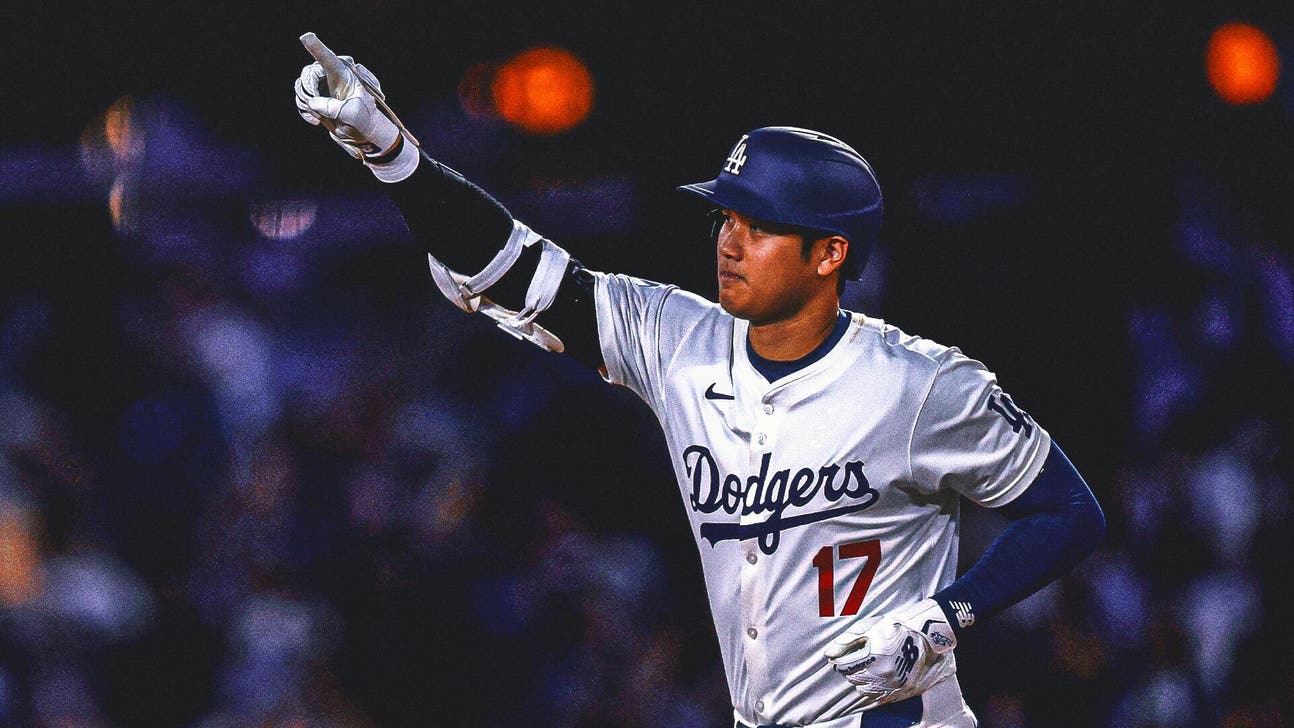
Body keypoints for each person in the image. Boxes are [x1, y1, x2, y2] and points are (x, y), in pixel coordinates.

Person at [294, 52, 1105, 728]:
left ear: (829, 255)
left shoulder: (922, 385)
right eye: (725, 218)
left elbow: (1070, 511)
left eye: (758, 226)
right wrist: (390, 151)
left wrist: (946, 616)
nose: (729, 240)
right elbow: (513, 265)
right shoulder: (678, 341)